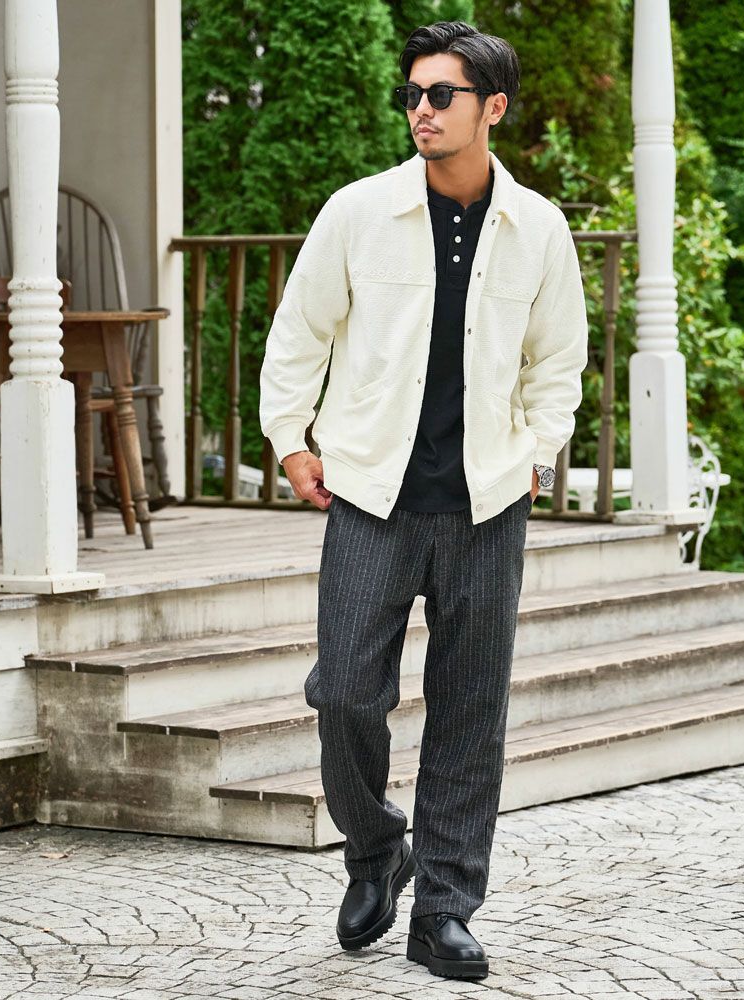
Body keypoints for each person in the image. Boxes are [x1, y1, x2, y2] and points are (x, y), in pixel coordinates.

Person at [258, 19, 588, 981]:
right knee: (345, 693)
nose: (421, 111)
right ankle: (376, 851)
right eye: (412, 95)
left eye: (441, 95)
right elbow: (299, 333)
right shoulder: (359, 212)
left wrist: (537, 458)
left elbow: (558, 362)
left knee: (469, 710)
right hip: (371, 493)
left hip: (487, 501)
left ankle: (444, 908)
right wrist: (291, 442)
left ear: (493, 107)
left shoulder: (540, 229)